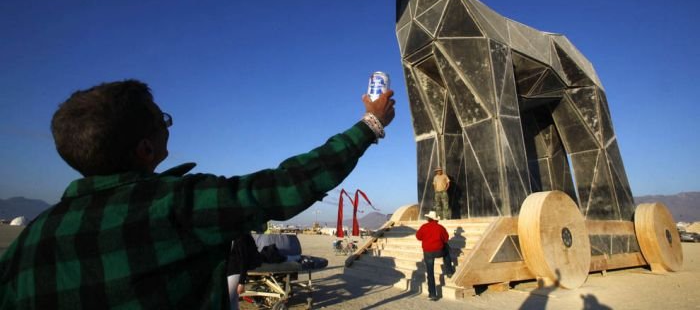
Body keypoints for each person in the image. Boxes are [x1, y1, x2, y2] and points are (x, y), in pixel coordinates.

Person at [0, 79, 395, 309]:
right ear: (145, 149)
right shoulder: (178, 204)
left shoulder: (29, 243)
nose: (168, 127)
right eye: (163, 120)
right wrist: (371, 123)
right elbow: (286, 184)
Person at [415, 210, 454, 301]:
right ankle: (449, 271)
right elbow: (446, 238)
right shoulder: (440, 227)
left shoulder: (424, 227)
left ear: (428, 218)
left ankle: (432, 294)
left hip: (428, 252)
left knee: (430, 273)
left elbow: (418, 237)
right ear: (436, 219)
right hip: (439, 251)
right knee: (447, 251)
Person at [226, 233, 262, 310]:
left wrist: (241, 282)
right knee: (232, 303)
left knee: (230, 302)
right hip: (230, 271)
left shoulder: (241, 236)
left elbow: (244, 260)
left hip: (235, 272)